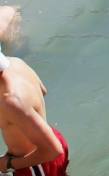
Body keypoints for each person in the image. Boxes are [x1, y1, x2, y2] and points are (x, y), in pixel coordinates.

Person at [0, 47, 71, 176]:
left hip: (39, 161)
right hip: (52, 138)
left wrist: (7, 164)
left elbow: (53, 151)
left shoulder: (10, 101)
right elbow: (43, 90)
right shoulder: (16, 63)